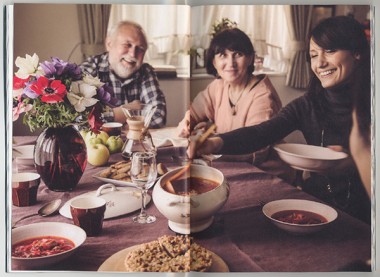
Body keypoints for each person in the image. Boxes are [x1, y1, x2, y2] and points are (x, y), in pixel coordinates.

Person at [189, 16, 371, 224]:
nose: (320, 63)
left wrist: (357, 164)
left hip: (365, 215)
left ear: (356, 52)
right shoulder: (308, 104)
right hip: (317, 207)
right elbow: (262, 132)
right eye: (313, 55)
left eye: (329, 51)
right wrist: (215, 142)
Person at [177, 28, 294, 181]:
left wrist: (213, 140)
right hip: (229, 167)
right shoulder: (218, 86)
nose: (230, 63)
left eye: (238, 54)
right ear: (214, 61)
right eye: (223, 55)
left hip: (266, 174)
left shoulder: (264, 95)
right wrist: (187, 123)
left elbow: (257, 147)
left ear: (250, 58)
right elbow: (194, 111)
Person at [80, 20, 167, 128]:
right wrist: (126, 110)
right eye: (127, 45)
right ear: (109, 44)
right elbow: (80, 119)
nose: (132, 54)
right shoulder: (89, 69)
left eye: (140, 49)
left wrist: (108, 119)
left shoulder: (145, 72)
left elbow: (158, 117)